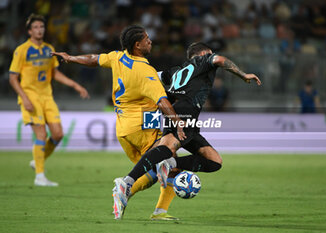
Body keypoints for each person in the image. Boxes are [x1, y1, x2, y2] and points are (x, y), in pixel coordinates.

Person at [112, 42, 261, 218]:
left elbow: (151, 77)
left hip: (176, 112)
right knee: (167, 148)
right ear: (205, 53)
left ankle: (169, 166)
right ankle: (127, 181)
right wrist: (243, 75)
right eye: (209, 54)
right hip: (185, 112)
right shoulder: (203, 60)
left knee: (214, 161)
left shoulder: (175, 71)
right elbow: (219, 59)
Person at [52, 25, 185, 220]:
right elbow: (162, 102)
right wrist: (178, 121)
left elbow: (94, 59)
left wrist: (71, 58)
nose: (151, 41)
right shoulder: (145, 71)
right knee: (171, 163)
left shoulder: (118, 57)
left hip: (124, 130)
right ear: (137, 45)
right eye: (147, 39)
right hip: (144, 127)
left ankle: (124, 193)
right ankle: (156, 209)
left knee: (150, 174)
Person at [9, 14, 90, 187]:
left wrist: (75, 85)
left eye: (42, 27)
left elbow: (55, 73)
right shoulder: (21, 50)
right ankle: (39, 176)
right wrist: (24, 98)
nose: (40, 29)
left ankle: (38, 160)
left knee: (58, 134)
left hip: (47, 96)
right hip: (30, 96)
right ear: (30, 31)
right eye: (36, 27)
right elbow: (13, 78)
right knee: (41, 134)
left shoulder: (49, 49)